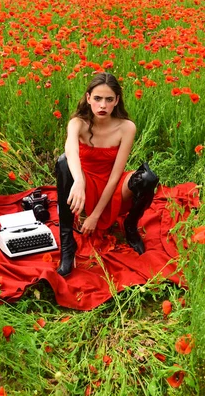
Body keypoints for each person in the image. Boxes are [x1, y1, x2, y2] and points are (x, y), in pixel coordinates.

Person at [55, 72, 159, 276]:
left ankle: (130, 226)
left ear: (116, 101)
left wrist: (94, 216)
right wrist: (78, 181)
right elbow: (71, 151)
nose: (102, 105)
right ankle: (67, 246)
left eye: (108, 99)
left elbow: (115, 175)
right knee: (63, 163)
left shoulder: (126, 127)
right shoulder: (78, 123)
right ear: (88, 98)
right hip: (85, 183)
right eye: (97, 98)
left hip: (112, 184)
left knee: (148, 178)